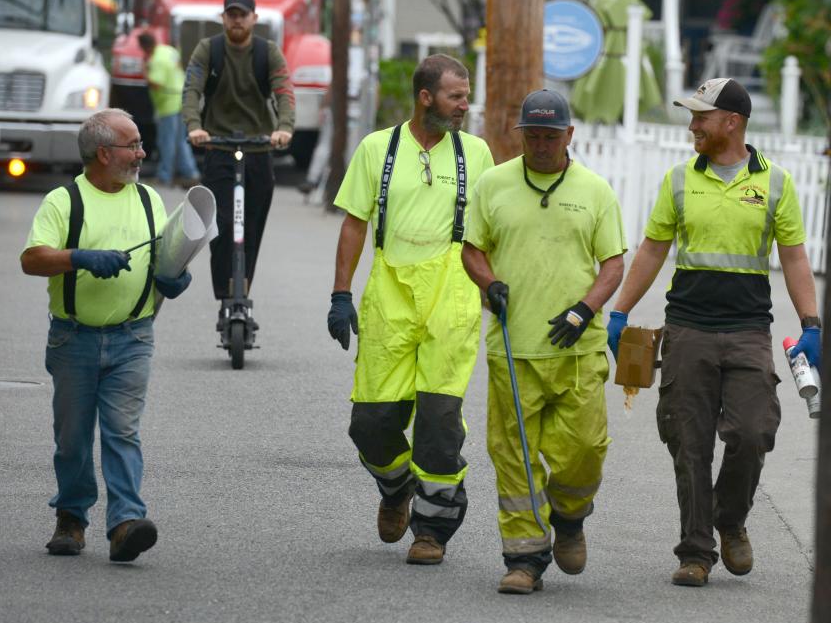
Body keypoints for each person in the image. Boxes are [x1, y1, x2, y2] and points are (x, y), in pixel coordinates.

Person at [607, 78, 821, 587]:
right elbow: (653, 248)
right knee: (689, 440)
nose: (692, 125)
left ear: (732, 122)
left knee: (753, 431)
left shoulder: (776, 183)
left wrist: (812, 324)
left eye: (702, 116)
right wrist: (619, 312)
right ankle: (696, 551)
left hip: (748, 329)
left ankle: (730, 522)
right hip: (688, 327)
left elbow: (793, 256)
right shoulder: (680, 179)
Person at [327, 54, 494, 565]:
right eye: (455, 97)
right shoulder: (379, 148)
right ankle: (396, 488)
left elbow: (493, 229)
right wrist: (340, 294)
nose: (465, 105)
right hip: (391, 295)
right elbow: (355, 223)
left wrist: (497, 286)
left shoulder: (477, 153)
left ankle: (432, 530)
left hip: (453, 296)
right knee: (371, 423)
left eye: (466, 96)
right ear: (426, 98)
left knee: (439, 424)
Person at [462, 89, 626, 595]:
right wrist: (488, 283)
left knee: (584, 450)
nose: (540, 145)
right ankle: (524, 557)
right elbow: (472, 250)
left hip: (577, 351)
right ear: (521, 136)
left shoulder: (595, 191)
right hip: (514, 347)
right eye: (531, 135)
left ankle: (570, 516)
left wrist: (584, 309)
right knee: (513, 454)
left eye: (550, 136)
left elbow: (614, 264)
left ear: (569, 136)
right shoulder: (494, 185)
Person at [20, 108, 193, 563]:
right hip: (73, 340)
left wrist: (175, 276)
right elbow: (32, 259)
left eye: (139, 144)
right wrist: (80, 258)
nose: (142, 152)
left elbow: (165, 256)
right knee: (73, 438)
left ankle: (125, 523)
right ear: (102, 153)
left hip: (133, 338)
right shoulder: (64, 201)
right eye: (132, 145)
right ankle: (71, 518)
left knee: (122, 432)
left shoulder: (147, 199)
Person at [182, 0, 295, 330]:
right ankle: (225, 294)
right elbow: (191, 90)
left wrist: (284, 128)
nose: (237, 19)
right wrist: (195, 126)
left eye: (242, 14)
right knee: (223, 227)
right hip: (218, 148)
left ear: (254, 19)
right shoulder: (209, 49)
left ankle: (242, 292)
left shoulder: (267, 52)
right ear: (223, 17)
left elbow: (284, 93)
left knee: (251, 227)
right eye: (231, 13)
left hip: (259, 151)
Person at [137, 31, 201, 188]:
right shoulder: (168, 50)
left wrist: (144, 71)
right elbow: (181, 65)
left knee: (166, 141)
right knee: (181, 141)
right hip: (182, 99)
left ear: (144, 47)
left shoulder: (156, 60)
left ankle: (164, 176)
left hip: (168, 104)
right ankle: (190, 173)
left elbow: (157, 83)